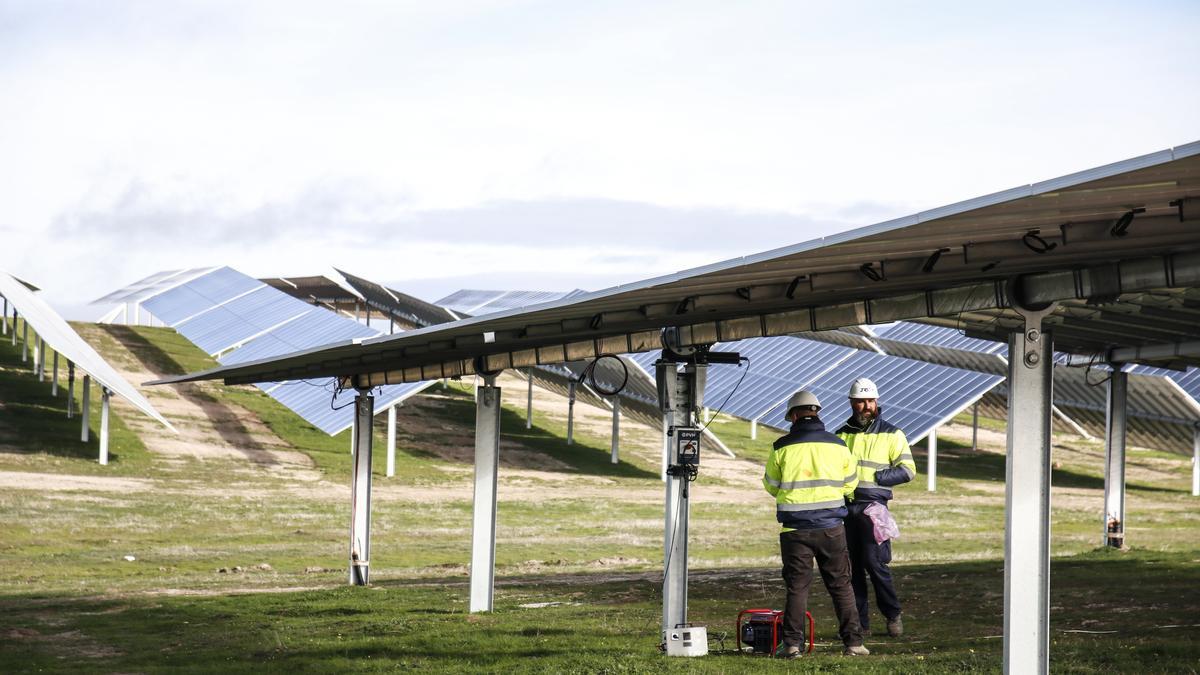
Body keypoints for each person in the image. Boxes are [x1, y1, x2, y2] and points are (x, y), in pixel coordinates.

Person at [764, 390, 869, 658]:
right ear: (816, 413)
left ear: (795, 415)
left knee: (797, 588)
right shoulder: (838, 445)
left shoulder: (781, 447)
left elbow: (772, 485)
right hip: (832, 528)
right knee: (841, 586)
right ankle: (854, 644)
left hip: (795, 531)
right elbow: (850, 483)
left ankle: (791, 646)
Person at [837, 377, 917, 638]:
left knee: (875, 563)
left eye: (870, 400)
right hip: (847, 508)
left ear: (877, 401)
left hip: (874, 508)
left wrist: (877, 479)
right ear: (852, 403)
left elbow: (908, 471)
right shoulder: (841, 435)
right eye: (861, 401)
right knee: (853, 568)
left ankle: (892, 614)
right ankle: (861, 624)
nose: (866, 406)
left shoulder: (893, 434)